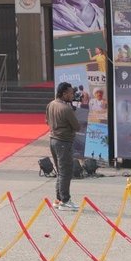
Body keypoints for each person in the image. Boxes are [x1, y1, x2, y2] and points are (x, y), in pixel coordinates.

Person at [47, 82, 83, 210]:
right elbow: (77, 126)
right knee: (65, 172)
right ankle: (65, 200)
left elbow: (47, 121)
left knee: (60, 171)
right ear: (64, 93)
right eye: (70, 93)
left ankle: (58, 199)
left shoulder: (51, 104)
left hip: (53, 140)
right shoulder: (66, 109)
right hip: (63, 141)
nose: (72, 95)